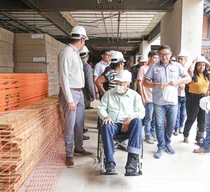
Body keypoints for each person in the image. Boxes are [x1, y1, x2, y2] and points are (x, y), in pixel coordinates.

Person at [144, 45, 191, 159]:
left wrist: (177, 81)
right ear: (158, 55)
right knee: (159, 125)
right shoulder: (154, 67)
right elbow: (145, 82)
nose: (164, 57)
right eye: (161, 55)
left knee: (171, 124)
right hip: (158, 101)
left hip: (173, 101)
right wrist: (156, 85)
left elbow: (188, 78)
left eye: (166, 54)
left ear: (170, 54)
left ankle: (167, 143)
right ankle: (160, 146)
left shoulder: (177, 66)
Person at [98, 70, 145, 176]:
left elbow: (141, 112)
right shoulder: (108, 94)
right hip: (113, 124)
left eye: (121, 84)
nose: (118, 85)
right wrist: (105, 116)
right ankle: (109, 163)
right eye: (117, 83)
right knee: (105, 125)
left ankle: (132, 164)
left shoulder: (135, 96)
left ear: (128, 85)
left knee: (137, 121)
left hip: (129, 126)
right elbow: (101, 108)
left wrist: (130, 118)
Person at [58, 26, 92, 168]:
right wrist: (70, 99)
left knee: (79, 123)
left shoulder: (76, 54)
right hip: (70, 93)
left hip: (79, 93)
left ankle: (78, 147)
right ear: (82, 40)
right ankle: (69, 155)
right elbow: (63, 77)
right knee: (70, 125)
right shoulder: (66, 53)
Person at [183, 56, 210, 144]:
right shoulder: (192, 75)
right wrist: (194, 61)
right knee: (191, 118)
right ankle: (186, 135)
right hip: (192, 98)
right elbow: (190, 70)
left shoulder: (207, 76)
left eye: (203, 65)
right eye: (199, 65)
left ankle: (199, 138)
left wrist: (207, 62)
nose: (201, 67)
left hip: (203, 98)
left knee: (202, 119)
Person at [137, 51, 159, 144]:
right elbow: (139, 83)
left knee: (155, 117)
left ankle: (153, 132)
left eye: (157, 58)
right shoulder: (143, 68)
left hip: (157, 97)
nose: (156, 60)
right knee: (148, 117)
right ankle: (147, 135)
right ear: (149, 58)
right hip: (148, 97)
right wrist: (142, 97)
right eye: (154, 58)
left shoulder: (157, 68)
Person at [80, 46, 95, 141]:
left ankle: (80, 131)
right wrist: (93, 95)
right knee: (80, 116)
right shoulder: (86, 66)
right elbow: (89, 82)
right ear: (87, 55)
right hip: (83, 93)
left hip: (74, 92)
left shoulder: (75, 64)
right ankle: (80, 134)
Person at [173, 52, 188, 136]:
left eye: (182, 59)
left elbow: (190, 80)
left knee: (183, 112)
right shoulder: (175, 69)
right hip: (176, 94)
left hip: (185, 95)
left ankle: (181, 126)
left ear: (186, 60)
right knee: (177, 112)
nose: (179, 60)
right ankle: (176, 128)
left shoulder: (187, 70)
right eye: (178, 58)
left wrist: (184, 84)